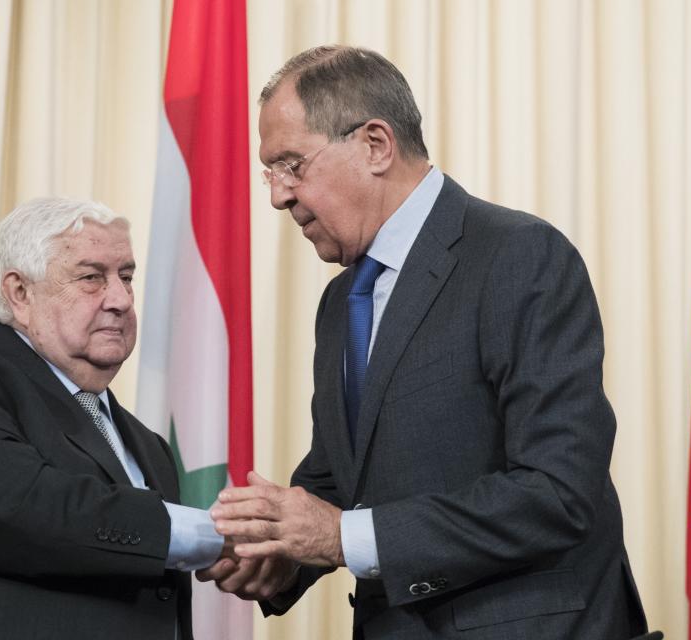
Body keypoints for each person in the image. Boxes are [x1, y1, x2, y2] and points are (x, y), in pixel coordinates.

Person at [201, 45, 649, 639]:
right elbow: (344, 477)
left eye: (291, 165)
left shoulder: (517, 255)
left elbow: (557, 491)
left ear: (376, 145)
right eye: (271, 172)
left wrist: (337, 536)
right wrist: (283, 551)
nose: (279, 196)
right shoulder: (341, 302)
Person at [0, 197, 228, 639]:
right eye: (92, 278)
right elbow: (24, 510)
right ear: (20, 293)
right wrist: (216, 535)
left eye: (126, 277)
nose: (122, 300)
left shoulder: (150, 446)